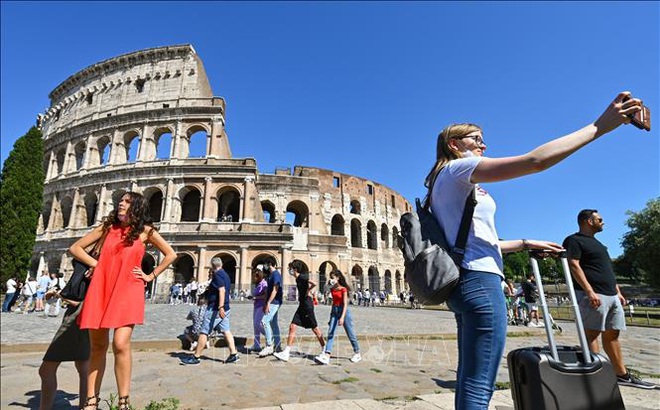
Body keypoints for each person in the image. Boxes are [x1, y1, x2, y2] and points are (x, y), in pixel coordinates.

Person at [424, 92, 644, 409]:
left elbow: (476, 242)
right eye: (476, 139)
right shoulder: (460, 169)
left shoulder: (439, 183)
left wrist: (525, 243)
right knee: (479, 384)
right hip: (481, 283)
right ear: (454, 145)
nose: (483, 145)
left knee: (470, 377)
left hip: (464, 281)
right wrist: (598, 127)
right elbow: (535, 161)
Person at [70, 192, 176, 410]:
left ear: (136, 207)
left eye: (127, 201)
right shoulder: (107, 228)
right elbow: (76, 248)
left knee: (120, 343)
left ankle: (123, 401)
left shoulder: (146, 232)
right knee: (98, 346)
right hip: (102, 286)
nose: (121, 203)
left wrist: (150, 276)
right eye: (121, 200)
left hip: (128, 288)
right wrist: (96, 264)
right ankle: (91, 401)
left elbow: (170, 254)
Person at [563, 209, 655, 389]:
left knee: (613, 333)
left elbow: (606, 271)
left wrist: (618, 291)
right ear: (588, 221)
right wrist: (589, 291)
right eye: (599, 219)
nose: (603, 222)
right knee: (591, 334)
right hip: (594, 295)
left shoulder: (599, 244)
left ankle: (621, 374)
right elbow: (573, 265)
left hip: (611, 294)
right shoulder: (574, 240)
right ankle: (595, 373)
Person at [181, 257, 240, 365]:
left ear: (212, 266)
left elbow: (221, 290)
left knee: (204, 332)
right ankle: (234, 354)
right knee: (226, 331)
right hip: (225, 308)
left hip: (215, 309)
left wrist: (220, 307)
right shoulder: (225, 274)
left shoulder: (217, 275)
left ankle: (196, 357)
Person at [38, 300, 90, 409]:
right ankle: (85, 406)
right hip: (82, 314)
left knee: (46, 369)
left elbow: (78, 299)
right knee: (83, 365)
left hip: (76, 316)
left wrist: (59, 294)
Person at [274, 260, 326, 362]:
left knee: (314, 328)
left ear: (295, 269)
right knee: (292, 326)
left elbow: (314, 283)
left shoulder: (302, 277)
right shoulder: (298, 279)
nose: (289, 270)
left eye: (290, 268)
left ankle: (325, 348)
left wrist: (307, 291)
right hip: (302, 304)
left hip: (307, 305)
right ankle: (286, 352)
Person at [314, 270, 362, 365]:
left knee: (350, 333)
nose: (331, 279)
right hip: (335, 310)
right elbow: (333, 302)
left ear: (338, 278)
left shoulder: (343, 289)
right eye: (330, 277)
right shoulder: (332, 289)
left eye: (333, 277)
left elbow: (345, 304)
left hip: (343, 311)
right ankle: (327, 355)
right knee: (330, 332)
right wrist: (331, 316)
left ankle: (357, 353)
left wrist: (342, 317)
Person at [258, 261, 283, 357]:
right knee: (274, 324)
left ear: (269, 264)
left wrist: (268, 303)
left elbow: (275, 290)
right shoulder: (270, 275)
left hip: (274, 302)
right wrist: (266, 302)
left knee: (264, 322)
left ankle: (269, 345)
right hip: (271, 302)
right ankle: (278, 345)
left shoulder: (276, 275)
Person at [248, 265, 268, 353]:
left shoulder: (264, 283)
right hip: (256, 306)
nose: (253, 278)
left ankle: (269, 337)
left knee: (257, 324)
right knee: (255, 326)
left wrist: (256, 297)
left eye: (254, 277)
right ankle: (256, 344)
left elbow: (266, 295)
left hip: (261, 306)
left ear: (259, 276)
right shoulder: (258, 284)